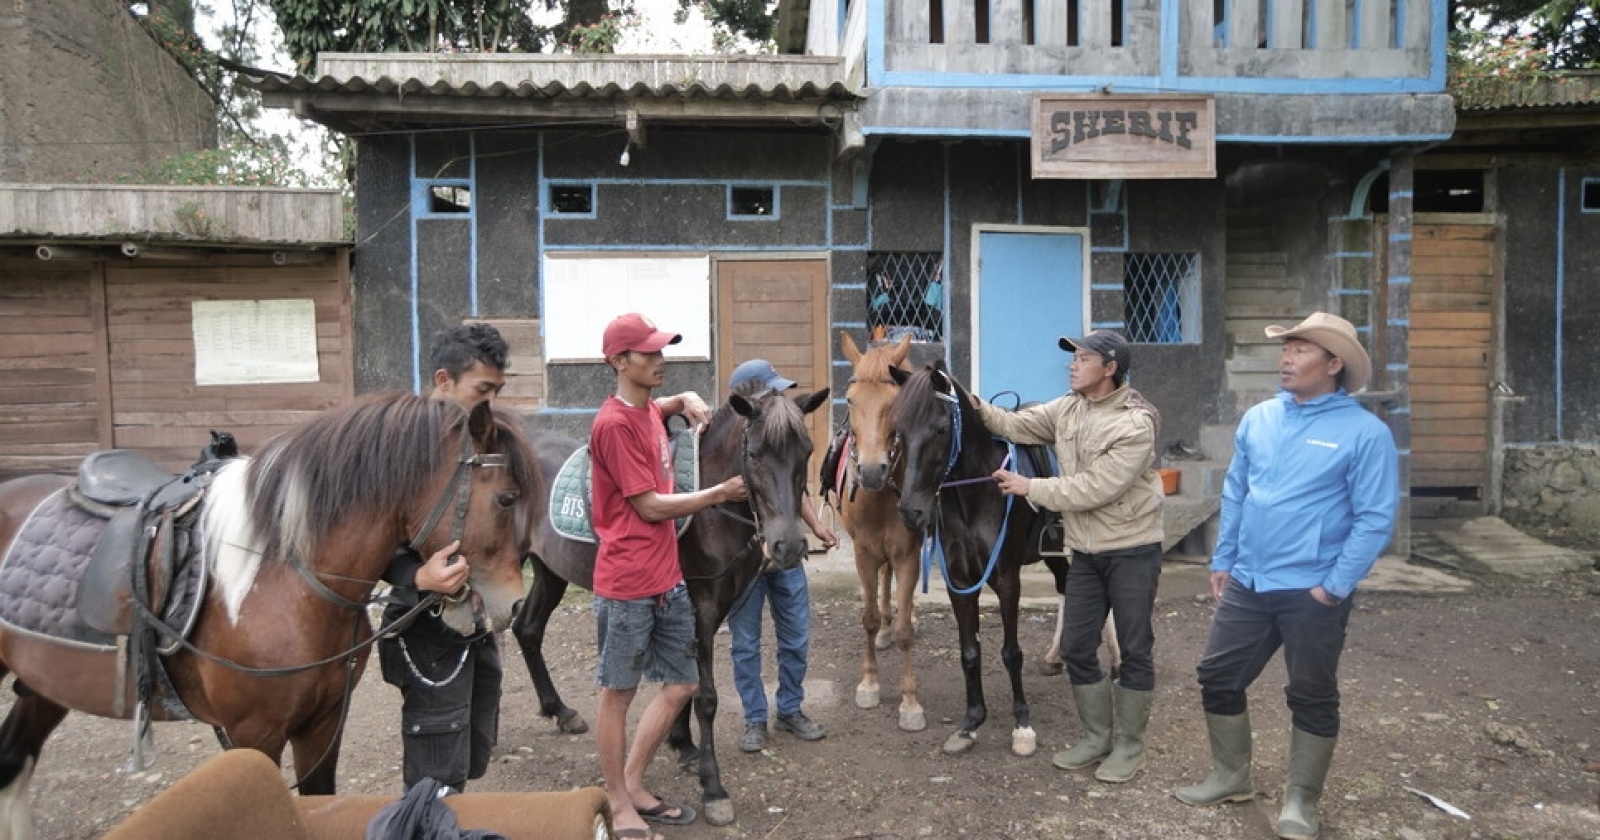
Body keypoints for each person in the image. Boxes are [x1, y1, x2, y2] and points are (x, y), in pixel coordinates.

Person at [1174, 311, 1399, 840]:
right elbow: (1236, 492)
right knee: (1218, 676)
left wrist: (1334, 586)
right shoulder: (1260, 419)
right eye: (1286, 348)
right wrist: (1224, 560)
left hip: (1313, 592)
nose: (1286, 357)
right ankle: (1231, 776)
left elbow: (1375, 518)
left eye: (1301, 349)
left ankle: (1301, 799)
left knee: (1311, 693)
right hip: (1250, 583)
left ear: (1334, 363)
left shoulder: (1366, 433)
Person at [970, 329, 1165, 784]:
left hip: (1132, 548)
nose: (1072, 365)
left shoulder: (1135, 422)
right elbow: (1017, 425)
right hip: (1086, 551)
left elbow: (1097, 487)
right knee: (1078, 647)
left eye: (1082, 358)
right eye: (1072, 358)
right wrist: (974, 406)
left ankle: (1129, 747)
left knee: (1134, 650)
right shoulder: (1069, 408)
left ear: (1110, 368)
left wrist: (1029, 487)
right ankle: (1097, 737)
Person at [590, 312, 748, 839]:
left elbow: (655, 409)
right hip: (627, 583)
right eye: (650, 354)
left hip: (665, 579)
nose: (660, 360)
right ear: (619, 361)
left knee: (682, 682)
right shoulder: (613, 425)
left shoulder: (644, 411)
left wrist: (681, 399)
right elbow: (651, 506)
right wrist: (717, 494)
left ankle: (632, 780)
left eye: (662, 352)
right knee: (619, 693)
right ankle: (617, 802)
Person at [377, 322, 509, 793]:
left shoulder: (475, 439)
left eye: (497, 389)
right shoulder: (398, 447)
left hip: (472, 625)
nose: (490, 402)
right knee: (435, 771)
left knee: (467, 754)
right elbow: (370, 539)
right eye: (483, 389)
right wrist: (417, 576)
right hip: (423, 627)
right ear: (443, 381)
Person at [722, 359, 839, 754]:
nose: (778, 396)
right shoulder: (733, 449)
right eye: (771, 390)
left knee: (796, 636)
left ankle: (790, 709)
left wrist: (817, 527)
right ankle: (755, 719)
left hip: (785, 551)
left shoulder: (778, 436)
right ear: (746, 398)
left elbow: (793, 490)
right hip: (747, 557)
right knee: (746, 642)